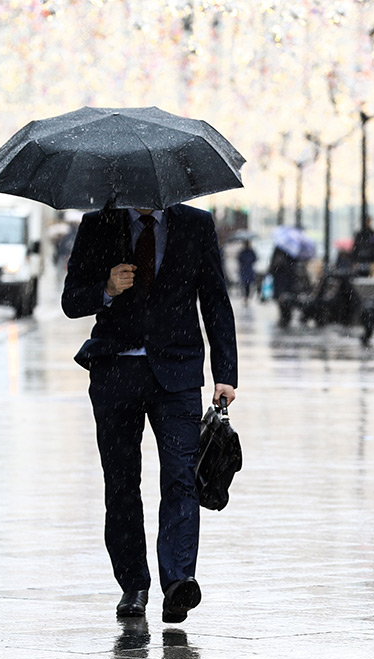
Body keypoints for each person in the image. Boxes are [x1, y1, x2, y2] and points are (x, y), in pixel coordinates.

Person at [62, 203, 237, 624]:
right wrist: (106, 288)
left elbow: (214, 298)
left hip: (176, 375)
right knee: (121, 484)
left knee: (181, 478)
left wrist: (225, 373)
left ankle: (178, 583)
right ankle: (134, 585)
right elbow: (71, 301)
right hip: (115, 371)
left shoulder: (196, 225)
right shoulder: (98, 224)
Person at [236, 239, 258, 304]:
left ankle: (246, 296)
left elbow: (239, 259)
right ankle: (246, 296)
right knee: (246, 284)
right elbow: (254, 259)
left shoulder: (246, 252)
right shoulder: (248, 252)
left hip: (246, 270)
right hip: (246, 270)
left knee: (246, 284)